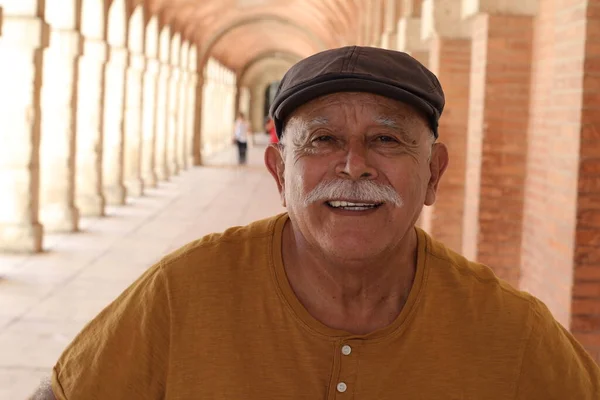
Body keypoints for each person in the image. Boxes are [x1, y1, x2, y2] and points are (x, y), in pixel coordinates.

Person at [33, 46, 600, 400]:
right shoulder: (185, 292)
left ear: (433, 175)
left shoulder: (512, 332)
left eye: (386, 139)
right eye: (323, 140)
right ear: (280, 173)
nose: (354, 165)